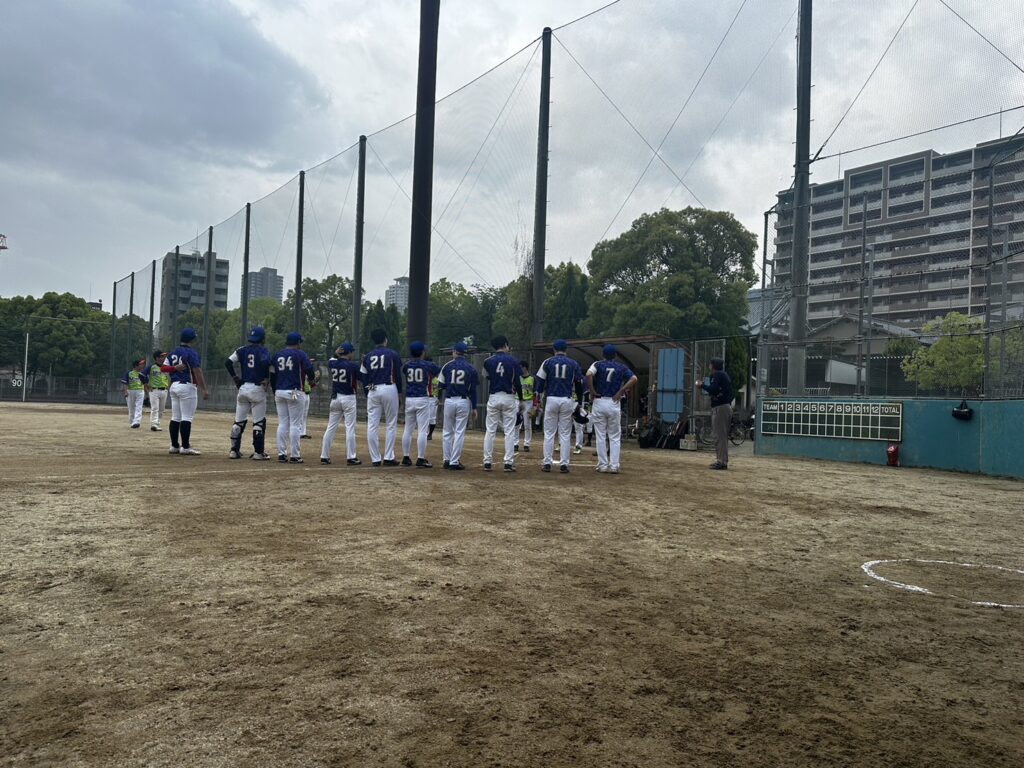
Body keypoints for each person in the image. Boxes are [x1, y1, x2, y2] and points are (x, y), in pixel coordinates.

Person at [586, 344, 638, 474]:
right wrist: (621, 391)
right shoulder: (621, 367)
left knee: (600, 435)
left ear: (603, 354)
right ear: (615, 355)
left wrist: (592, 391)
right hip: (614, 402)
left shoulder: (597, 364)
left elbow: (588, 374)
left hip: (599, 400)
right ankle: (614, 465)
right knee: (614, 436)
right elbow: (634, 378)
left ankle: (603, 465)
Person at [535, 339, 584, 473]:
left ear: (554, 350)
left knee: (549, 433)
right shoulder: (573, 363)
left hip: (551, 398)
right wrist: (579, 402)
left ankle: (547, 463)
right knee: (565, 434)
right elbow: (579, 384)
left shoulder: (548, 362)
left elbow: (539, 382)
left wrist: (537, 400)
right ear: (566, 350)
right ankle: (564, 464)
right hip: (566, 399)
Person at [225, 326, 272, 460]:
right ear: (262, 339)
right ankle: (258, 453)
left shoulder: (241, 350)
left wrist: (235, 377)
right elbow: (266, 362)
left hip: (243, 388)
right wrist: (266, 378)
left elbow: (227, 362)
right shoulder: (263, 351)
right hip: (257, 388)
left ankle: (234, 451)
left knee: (238, 421)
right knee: (258, 422)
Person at [270, 332, 316, 463]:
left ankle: (281, 454)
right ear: (298, 343)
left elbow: (272, 375)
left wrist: (275, 391)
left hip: (279, 391)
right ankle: (295, 455)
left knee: (283, 423)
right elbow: (309, 371)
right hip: (295, 391)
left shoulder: (277, 355)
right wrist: (312, 381)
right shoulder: (301, 354)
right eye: (301, 342)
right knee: (296, 425)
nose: (302, 344)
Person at [360, 328, 403, 467]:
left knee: (372, 425)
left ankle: (375, 459)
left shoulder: (367, 356)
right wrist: (400, 393)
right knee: (391, 424)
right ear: (385, 339)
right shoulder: (392, 354)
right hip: (389, 387)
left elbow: (364, 378)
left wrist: (369, 393)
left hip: (373, 388)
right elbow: (398, 375)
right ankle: (389, 457)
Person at [164, 327, 209, 455]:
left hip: (174, 386)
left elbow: (163, 368)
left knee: (175, 417)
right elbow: (197, 370)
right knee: (187, 417)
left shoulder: (173, 352)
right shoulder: (191, 353)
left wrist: (174, 368)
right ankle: (185, 446)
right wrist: (204, 388)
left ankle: (174, 446)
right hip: (187, 386)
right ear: (191, 340)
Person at [482, 336, 522, 472]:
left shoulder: (487, 361)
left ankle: (487, 462)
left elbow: (487, 376)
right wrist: (521, 398)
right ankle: (508, 463)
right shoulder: (513, 361)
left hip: (493, 396)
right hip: (509, 397)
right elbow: (517, 382)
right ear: (505, 345)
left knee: (490, 430)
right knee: (509, 431)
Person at [438, 341, 478, 471]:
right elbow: (473, 390)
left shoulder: (447, 366)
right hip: (463, 401)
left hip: (449, 400)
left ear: (455, 351)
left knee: (447, 431)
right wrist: (475, 407)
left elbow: (441, 385)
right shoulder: (471, 368)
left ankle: (446, 459)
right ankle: (454, 461)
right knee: (459, 432)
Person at [320, 342, 362, 466]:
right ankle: (351, 457)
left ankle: (324, 456)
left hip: (335, 398)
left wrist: (336, 353)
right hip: (348, 398)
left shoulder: (333, 363)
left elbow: (331, 359)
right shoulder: (353, 366)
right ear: (348, 352)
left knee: (330, 428)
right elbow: (362, 378)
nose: (353, 354)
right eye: (352, 351)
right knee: (350, 428)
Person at [400, 341, 441, 468]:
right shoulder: (428, 365)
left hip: (410, 399)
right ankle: (420, 458)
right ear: (422, 352)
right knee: (422, 430)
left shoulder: (407, 366)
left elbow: (406, 371)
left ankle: (406, 457)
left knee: (408, 429)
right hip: (423, 398)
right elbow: (438, 372)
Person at [702, 356, 734, 470]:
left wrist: (702, 385)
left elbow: (714, 389)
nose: (709, 365)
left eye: (711, 364)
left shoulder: (718, 375)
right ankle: (721, 460)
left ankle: (722, 462)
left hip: (721, 408)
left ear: (713, 365)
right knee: (720, 435)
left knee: (720, 435)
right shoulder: (721, 375)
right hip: (723, 407)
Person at [120, 358, 149, 429]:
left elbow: (145, 384)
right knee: (131, 407)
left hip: (140, 391)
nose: (143, 366)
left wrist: (147, 394)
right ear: (136, 366)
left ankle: (137, 422)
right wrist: (125, 391)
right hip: (130, 391)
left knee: (139, 407)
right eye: (141, 364)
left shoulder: (142, 374)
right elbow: (125, 383)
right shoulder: (129, 373)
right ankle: (132, 421)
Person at [516, 360, 537, 453]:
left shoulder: (532, 378)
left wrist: (535, 405)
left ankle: (527, 444)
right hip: (517, 400)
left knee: (527, 424)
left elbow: (536, 393)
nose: (520, 369)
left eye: (521, 367)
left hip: (528, 402)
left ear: (525, 368)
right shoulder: (517, 378)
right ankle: (515, 443)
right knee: (516, 423)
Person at [148, 350, 169, 431]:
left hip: (164, 390)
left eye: (164, 356)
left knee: (161, 409)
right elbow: (142, 375)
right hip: (154, 390)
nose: (164, 358)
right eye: (162, 356)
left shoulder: (166, 367)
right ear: (157, 358)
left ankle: (157, 423)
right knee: (155, 408)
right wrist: (147, 385)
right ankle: (154, 424)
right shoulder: (152, 367)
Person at [298, 357, 317, 440]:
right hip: (300, 393)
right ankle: (297, 432)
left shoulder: (309, 374)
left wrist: (315, 380)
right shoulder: (301, 371)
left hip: (307, 394)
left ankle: (303, 433)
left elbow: (311, 385)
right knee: (299, 415)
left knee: (304, 415)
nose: (311, 364)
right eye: (310, 362)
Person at [427, 360, 440, 441]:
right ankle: (427, 433)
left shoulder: (436, 379)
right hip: (426, 398)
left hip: (433, 398)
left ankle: (430, 434)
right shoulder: (427, 378)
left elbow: (440, 389)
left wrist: (439, 398)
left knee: (432, 418)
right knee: (429, 417)